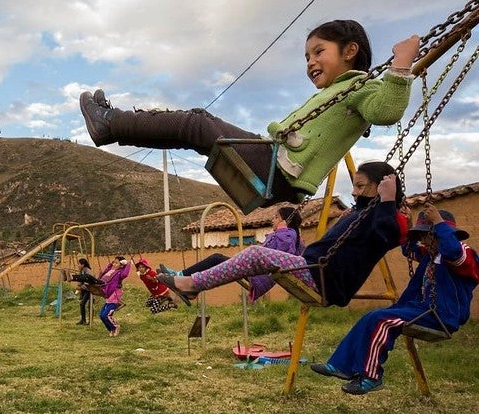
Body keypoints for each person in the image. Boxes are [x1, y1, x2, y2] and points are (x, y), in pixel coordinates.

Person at [79, 20, 419, 206]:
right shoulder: (338, 91)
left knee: (198, 123)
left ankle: (110, 123)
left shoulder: (362, 87)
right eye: (306, 57)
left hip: (280, 170)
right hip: (274, 164)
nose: (311, 62)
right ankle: (112, 129)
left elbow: (387, 110)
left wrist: (402, 63)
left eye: (318, 52)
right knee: (193, 132)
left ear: (350, 51)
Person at [157, 161, 408, 307]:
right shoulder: (362, 214)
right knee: (247, 256)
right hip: (315, 270)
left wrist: (388, 201)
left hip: (323, 278)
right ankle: (191, 283)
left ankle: (192, 283)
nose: (354, 193)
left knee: (256, 254)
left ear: (384, 187)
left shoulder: (387, 217)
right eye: (353, 186)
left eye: (360, 186)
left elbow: (388, 236)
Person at [311, 205, 478, 395]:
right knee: (370, 317)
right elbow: (409, 250)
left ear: (442, 233)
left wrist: (438, 222)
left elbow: (453, 252)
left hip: (442, 315)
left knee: (383, 322)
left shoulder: (464, 253)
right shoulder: (431, 254)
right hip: (419, 309)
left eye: (427, 236)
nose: (424, 241)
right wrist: (408, 224)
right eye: (422, 237)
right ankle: (340, 365)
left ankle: (372, 377)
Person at [161, 205, 305, 302]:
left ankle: (182, 277)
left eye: (276, 218)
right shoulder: (289, 235)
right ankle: (185, 280)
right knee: (217, 259)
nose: (272, 220)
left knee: (216, 258)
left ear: (285, 222)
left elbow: (285, 251)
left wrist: (282, 229)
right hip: (258, 272)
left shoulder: (287, 236)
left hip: (259, 275)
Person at [98, 257, 131, 336]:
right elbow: (104, 274)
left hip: (115, 296)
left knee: (106, 315)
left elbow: (125, 274)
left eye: (116, 263)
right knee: (101, 315)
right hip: (108, 296)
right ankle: (111, 329)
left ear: (121, 265)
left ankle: (115, 327)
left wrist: (128, 265)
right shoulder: (111, 271)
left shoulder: (119, 273)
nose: (114, 264)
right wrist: (110, 265)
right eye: (114, 262)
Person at [75, 258, 93, 325]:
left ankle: (90, 321)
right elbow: (80, 280)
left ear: (83, 264)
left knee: (87, 305)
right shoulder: (81, 271)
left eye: (79, 264)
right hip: (84, 290)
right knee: (82, 304)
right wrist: (78, 286)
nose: (78, 265)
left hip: (89, 290)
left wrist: (81, 287)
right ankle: (83, 320)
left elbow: (88, 282)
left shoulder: (88, 271)